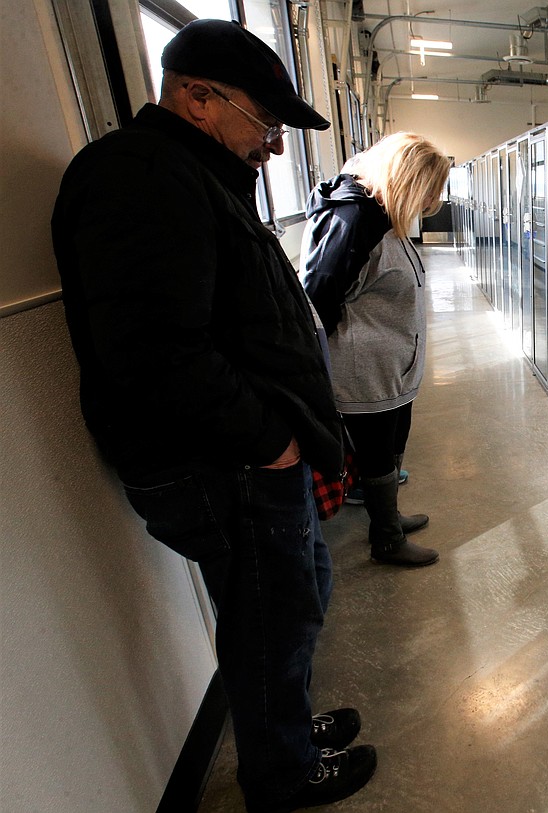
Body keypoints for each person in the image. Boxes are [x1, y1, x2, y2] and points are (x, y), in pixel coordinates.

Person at [51, 19, 376, 812]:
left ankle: (288, 726)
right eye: (263, 125)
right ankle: (282, 773)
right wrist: (271, 445)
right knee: (271, 618)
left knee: (293, 600)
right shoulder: (140, 177)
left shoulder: (193, 172)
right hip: (224, 462)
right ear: (197, 98)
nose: (271, 147)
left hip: (245, 456)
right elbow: (158, 354)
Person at [300, 132, 451, 567]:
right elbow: (317, 302)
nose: (429, 202)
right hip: (365, 372)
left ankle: (389, 516)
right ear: (405, 179)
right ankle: (386, 539)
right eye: (427, 191)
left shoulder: (383, 215)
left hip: (392, 369)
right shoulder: (353, 222)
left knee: (390, 446)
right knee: (376, 452)